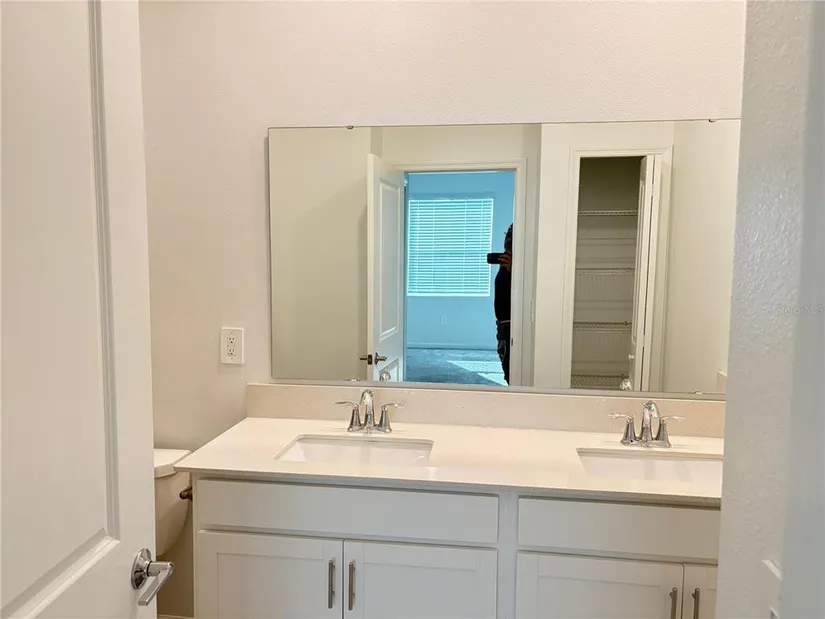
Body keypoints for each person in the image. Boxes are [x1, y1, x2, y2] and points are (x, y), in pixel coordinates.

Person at [494, 225, 513, 384]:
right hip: (503, 327)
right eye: (506, 244)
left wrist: (512, 269)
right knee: (507, 371)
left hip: (511, 329)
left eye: (511, 244)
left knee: (512, 373)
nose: (507, 249)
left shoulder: (522, 270)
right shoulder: (505, 267)